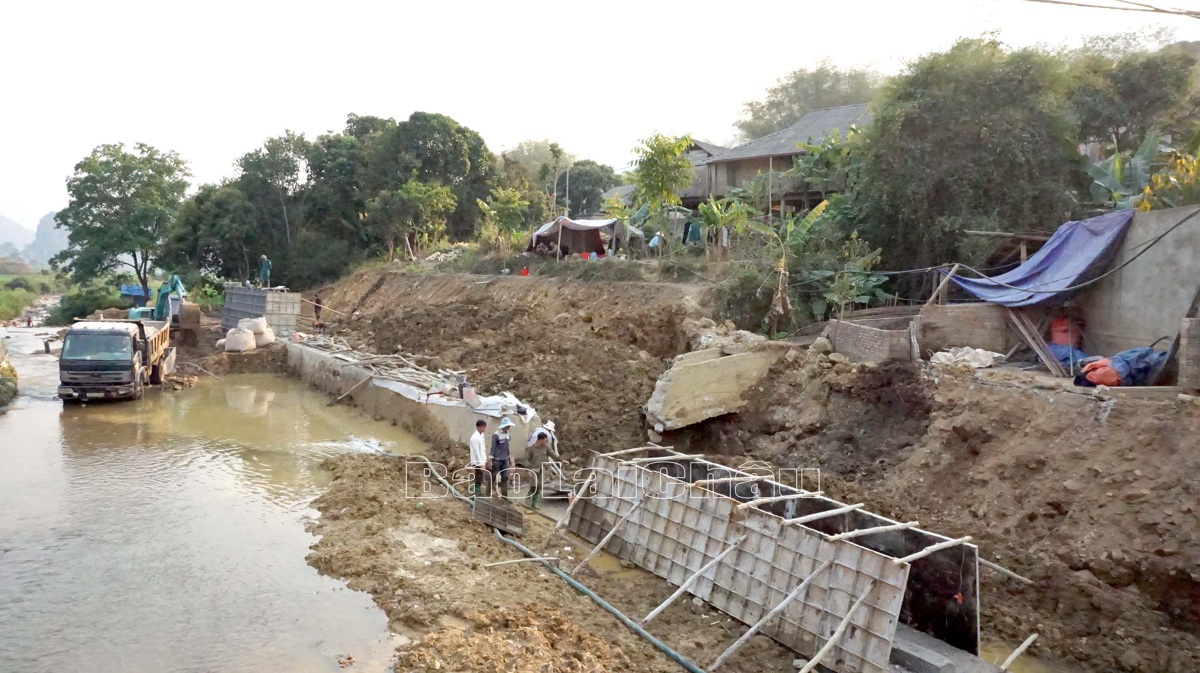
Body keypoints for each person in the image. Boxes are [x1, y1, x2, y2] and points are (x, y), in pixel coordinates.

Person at [524, 432, 552, 509]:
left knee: (539, 486)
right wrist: (528, 469)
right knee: (534, 485)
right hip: (533, 469)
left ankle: (534, 503)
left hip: (541, 468)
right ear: (540, 440)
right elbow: (525, 459)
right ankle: (529, 497)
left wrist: (561, 460)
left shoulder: (546, 447)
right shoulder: (531, 448)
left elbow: (552, 454)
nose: (545, 442)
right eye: (545, 440)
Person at [489, 417, 515, 497]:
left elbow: (507, 447)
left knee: (505, 477)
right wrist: (490, 459)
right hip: (497, 459)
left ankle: (504, 496)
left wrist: (510, 458)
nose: (509, 427)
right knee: (494, 476)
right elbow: (493, 448)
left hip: (504, 459)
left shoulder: (508, 435)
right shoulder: (496, 435)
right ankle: (489, 493)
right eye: (508, 426)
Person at [469, 419, 489, 497]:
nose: (484, 429)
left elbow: (482, 449)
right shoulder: (474, 438)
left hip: (481, 460)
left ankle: (478, 492)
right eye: (483, 427)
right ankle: (475, 495)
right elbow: (477, 452)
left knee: (480, 478)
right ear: (478, 427)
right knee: (478, 478)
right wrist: (481, 464)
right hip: (477, 462)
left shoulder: (481, 435)